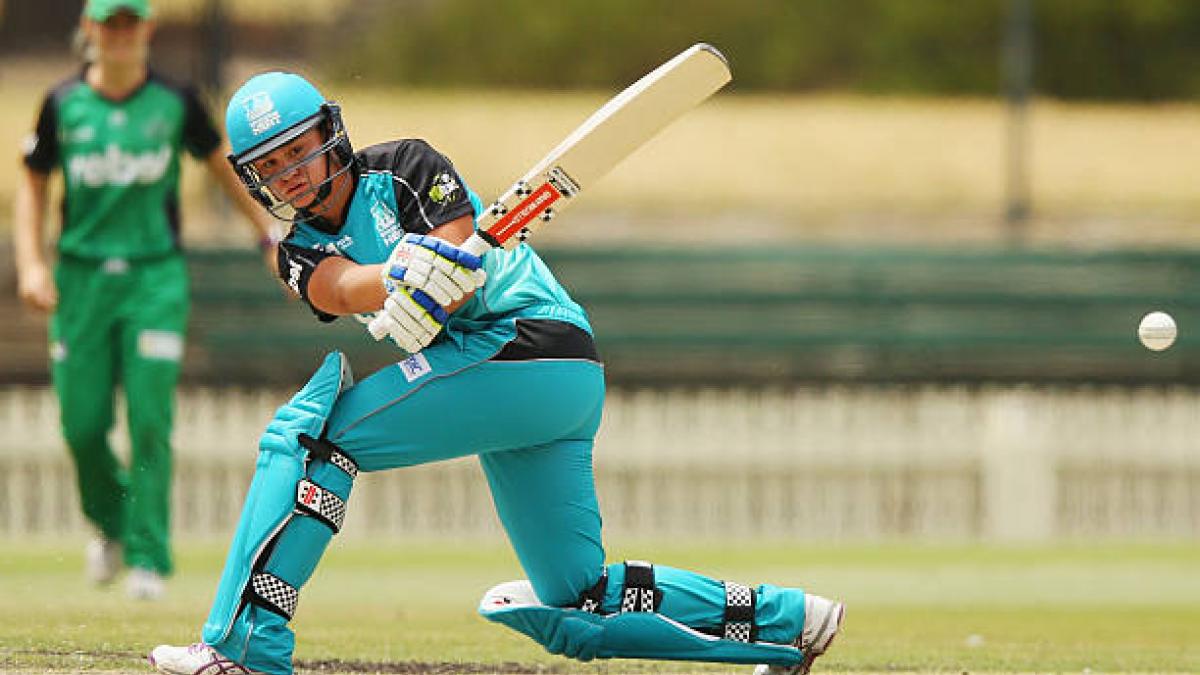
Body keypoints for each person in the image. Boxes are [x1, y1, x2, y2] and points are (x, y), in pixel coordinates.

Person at [147, 71, 844, 675]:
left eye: (299, 149)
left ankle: (245, 646)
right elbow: (337, 286)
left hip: (530, 343)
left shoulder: (405, 168)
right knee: (575, 601)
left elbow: (456, 254)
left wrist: (435, 278)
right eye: (271, 164)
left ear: (331, 133)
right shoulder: (296, 249)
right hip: (529, 382)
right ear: (253, 177)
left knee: (317, 440)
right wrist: (392, 278)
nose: (291, 172)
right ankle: (792, 623)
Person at [13, 0, 278, 601]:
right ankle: (112, 525)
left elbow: (222, 168)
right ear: (89, 31)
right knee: (82, 425)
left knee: (150, 418)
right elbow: (32, 181)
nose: (121, 37)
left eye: (131, 25)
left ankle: (149, 557)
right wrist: (32, 263)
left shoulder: (176, 101)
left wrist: (266, 233)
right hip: (81, 281)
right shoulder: (62, 104)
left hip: (154, 279)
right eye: (110, 25)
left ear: (148, 31)